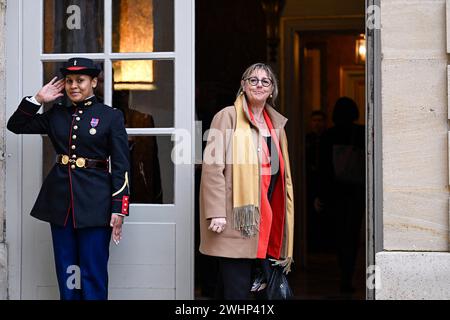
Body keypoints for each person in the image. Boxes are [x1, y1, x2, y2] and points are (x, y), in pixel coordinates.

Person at [7, 57, 131, 300]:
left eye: (80, 80)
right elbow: (16, 125)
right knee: (67, 270)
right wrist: (38, 100)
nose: (74, 86)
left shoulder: (110, 116)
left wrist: (120, 208)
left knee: (92, 271)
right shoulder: (57, 115)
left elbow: (121, 165)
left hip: (96, 203)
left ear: (94, 82)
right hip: (61, 203)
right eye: (69, 81)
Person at [199, 63, 295, 300]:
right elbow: (213, 168)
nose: (259, 85)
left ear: (272, 90)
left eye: (265, 81)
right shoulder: (227, 116)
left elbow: (281, 177)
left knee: (259, 292)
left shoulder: (276, 126)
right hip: (235, 218)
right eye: (253, 80)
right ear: (243, 85)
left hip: (267, 218)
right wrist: (216, 212)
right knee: (237, 291)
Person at [318, 97, 365, 294]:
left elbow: (323, 167)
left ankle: (343, 271)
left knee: (339, 235)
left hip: (335, 192)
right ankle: (349, 274)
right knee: (353, 234)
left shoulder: (328, 135)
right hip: (356, 190)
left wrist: (320, 194)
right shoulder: (361, 132)